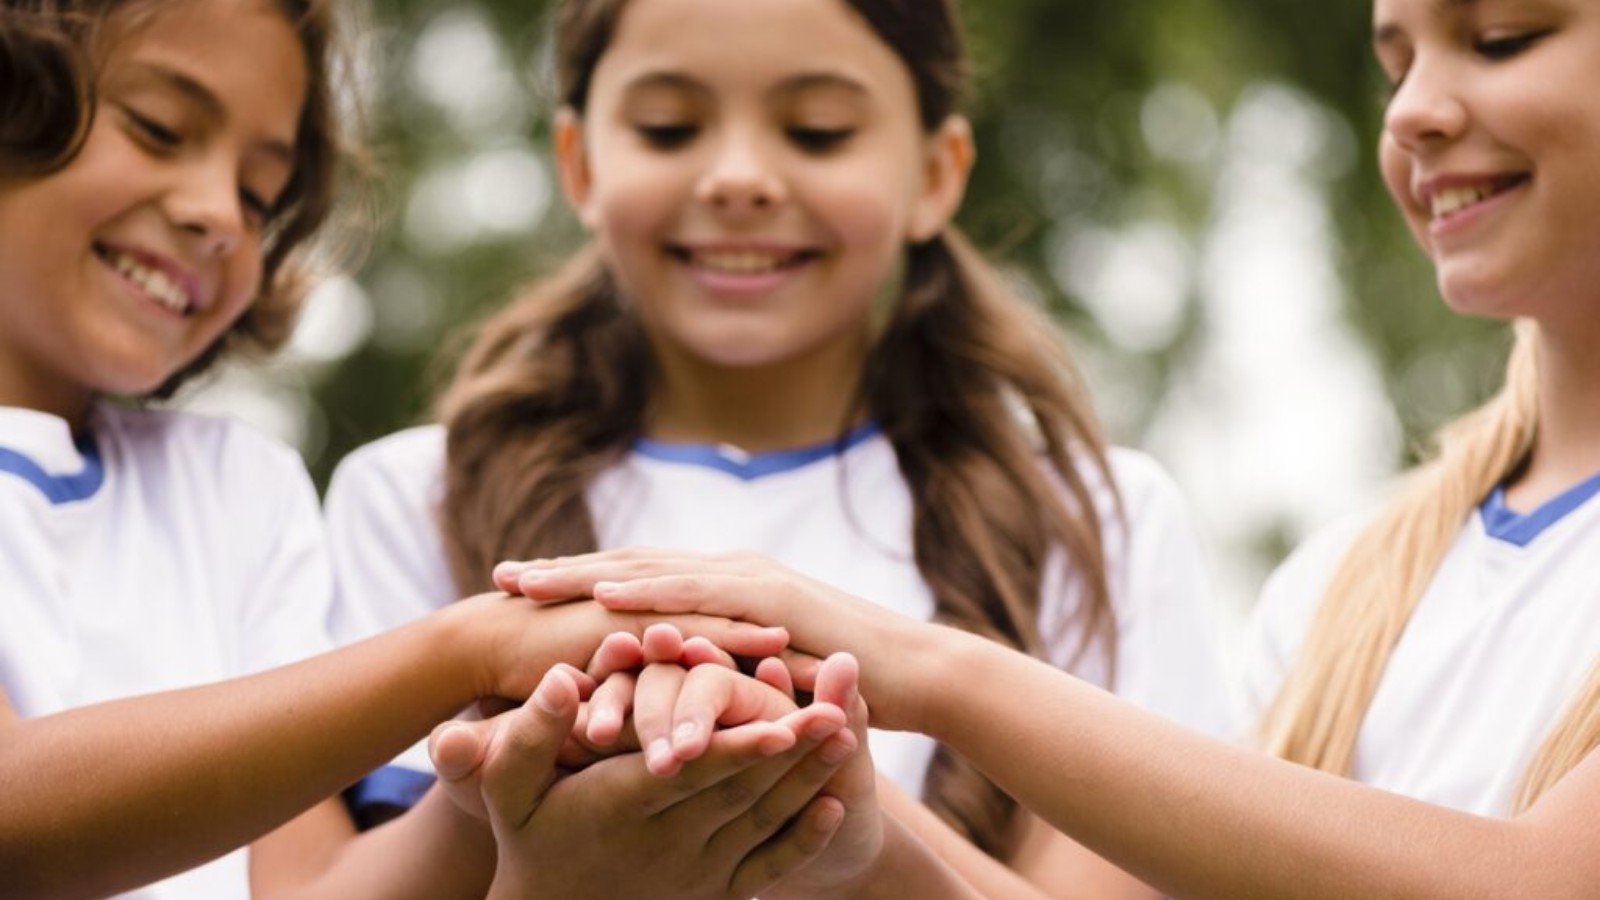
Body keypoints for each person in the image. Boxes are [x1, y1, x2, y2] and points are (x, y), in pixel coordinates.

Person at [503, 0, 1600, 892]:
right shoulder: (1342, 592)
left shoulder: (1119, 525)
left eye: (1500, 39)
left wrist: (922, 670)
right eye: (1394, 62)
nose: (1411, 111)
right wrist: (841, 808)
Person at [324, 0, 1232, 894]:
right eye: (670, 127)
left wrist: (811, 772)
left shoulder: (1095, 517)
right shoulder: (413, 495)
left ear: (938, 173)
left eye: (818, 130)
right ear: (580, 163)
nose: (739, 177)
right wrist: (505, 761)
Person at [0, 2, 852, 897]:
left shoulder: (237, 488)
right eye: (159, 127)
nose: (218, 213)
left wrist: (514, 753)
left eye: (259, 194)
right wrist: (468, 651)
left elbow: (308, 889)